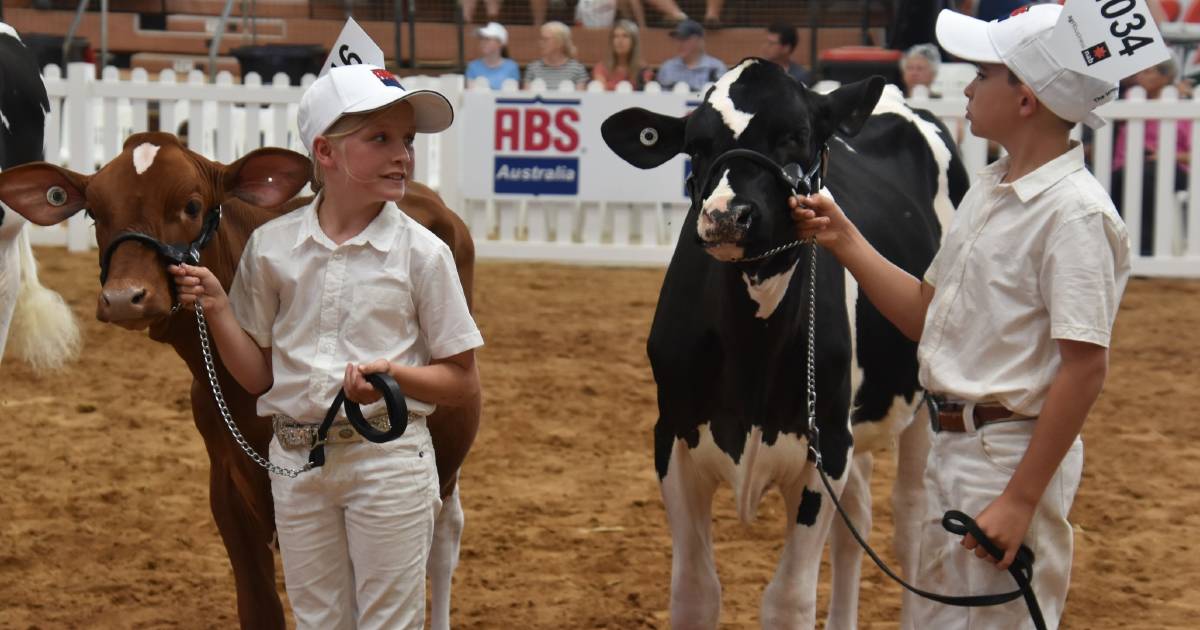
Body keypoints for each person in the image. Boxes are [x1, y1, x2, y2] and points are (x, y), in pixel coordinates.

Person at [792, 6, 1130, 628]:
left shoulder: (1076, 215)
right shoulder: (992, 188)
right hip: (952, 451)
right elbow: (930, 316)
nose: (968, 87)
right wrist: (846, 240)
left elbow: (1085, 368)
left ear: (1025, 98)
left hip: (1006, 456)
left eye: (981, 75)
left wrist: (1021, 498)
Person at [170, 64, 483, 629]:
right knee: (319, 622)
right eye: (381, 138)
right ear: (327, 152)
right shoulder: (271, 250)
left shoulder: (425, 254)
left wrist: (395, 374)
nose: (402, 156)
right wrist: (217, 306)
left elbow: (463, 381)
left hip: (389, 463)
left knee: (388, 622)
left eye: (407, 141)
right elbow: (259, 379)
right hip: (297, 463)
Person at [1112, 57, 1191, 256]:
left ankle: (1146, 249)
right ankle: (1119, 248)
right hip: (1128, 167)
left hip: (1173, 169)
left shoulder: (1183, 107)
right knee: (1119, 179)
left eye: (1148, 71)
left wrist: (1166, 156)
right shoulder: (1128, 102)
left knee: (1147, 178)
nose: (1140, 76)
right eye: (1140, 71)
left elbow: (1193, 154)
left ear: (1166, 77)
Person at [655, 19, 727, 92]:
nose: (680, 44)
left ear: (699, 41)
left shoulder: (716, 68)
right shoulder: (667, 68)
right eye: (678, 39)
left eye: (685, 39)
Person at [523, 21, 590, 90]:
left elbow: (581, 98)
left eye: (546, 39)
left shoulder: (577, 69)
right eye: (541, 39)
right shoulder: (532, 69)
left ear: (559, 42)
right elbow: (527, 98)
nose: (541, 43)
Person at [592, 19, 654, 90]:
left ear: (634, 42)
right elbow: (598, 94)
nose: (619, 40)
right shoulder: (601, 68)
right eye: (616, 36)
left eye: (625, 36)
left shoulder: (642, 69)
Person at [465, 22, 521, 89]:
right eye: (482, 39)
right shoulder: (473, 66)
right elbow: (470, 95)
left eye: (488, 39)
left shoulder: (512, 67)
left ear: (500, 43)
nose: (483, 42)